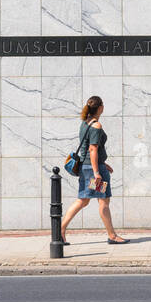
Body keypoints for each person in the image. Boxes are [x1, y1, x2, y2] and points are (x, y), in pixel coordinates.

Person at [60, 95, 127, 245]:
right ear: (100, 108)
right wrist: (97, 172)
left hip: (86, 167)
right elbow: (92, 149)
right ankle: (112, 235)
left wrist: (103, 164)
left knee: (83, 200)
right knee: (103, 201)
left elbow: (90, 149)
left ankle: (60, 229)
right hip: (93, 170)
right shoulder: (96, 126)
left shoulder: (85, 123)